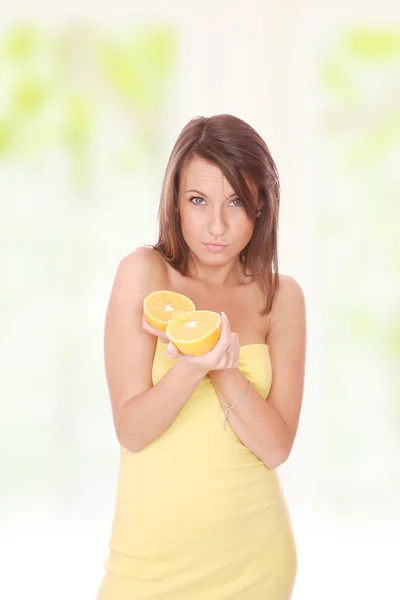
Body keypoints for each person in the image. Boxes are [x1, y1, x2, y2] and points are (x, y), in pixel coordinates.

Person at [96, 114, 307, 600]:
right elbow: (133, 429)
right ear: (175, 202)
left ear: (261, 207)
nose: (217, 225)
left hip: (255, 566)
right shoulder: (144, 274)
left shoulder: (282, 297)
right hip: (146, 569)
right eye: (198, 201)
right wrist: (192, 364)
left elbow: (276, 448)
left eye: (236, 202)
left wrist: (224, 367)